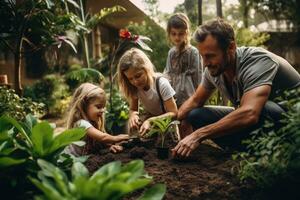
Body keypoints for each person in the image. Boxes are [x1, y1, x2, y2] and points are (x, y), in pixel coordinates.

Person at [172, 19, 300, 157]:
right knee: (196, 115)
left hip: (292, 122)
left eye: (210, 56)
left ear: (231, 47)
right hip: (261, 123)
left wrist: (198, 135)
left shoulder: (258, 61)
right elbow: (196, 100)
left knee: (261, 108)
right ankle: (246, 153)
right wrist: (171, 122)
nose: (205, 64)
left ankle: (279, 154)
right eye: (203, 57)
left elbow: (250, 113)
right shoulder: (214, 69)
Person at [117, 48, 178, 137]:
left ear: (146, 69)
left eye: (138, 76)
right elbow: (133, 109)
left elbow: (174, 113)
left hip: (167, 124)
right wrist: (133, 115)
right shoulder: (134, 87)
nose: (135, 82)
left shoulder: (161, 84)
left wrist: (151, 121)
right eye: (130, 79)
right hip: (151, 122)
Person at [164, 13, 203, 138]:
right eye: (174, 34)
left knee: (187, 122)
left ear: (186, 33)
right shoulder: (171, 53)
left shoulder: (193, 52)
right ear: (169, 34)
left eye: (180, 33)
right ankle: (181, 147)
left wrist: (199, 98)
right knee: (178, 122)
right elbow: (168, 74)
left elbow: (198, 75)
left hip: (189, 95)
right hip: (175, 94)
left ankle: (190, 146)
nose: (177, 37)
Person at [66, 83, 129, 156]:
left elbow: (97, 143)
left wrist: (109, 147)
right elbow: (103, 137)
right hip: (69, 161)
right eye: (98, 107)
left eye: (103, 107)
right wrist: (116, 138)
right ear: (84, 106)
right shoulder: (81, 124)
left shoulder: (93, 122)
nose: (102, 110)